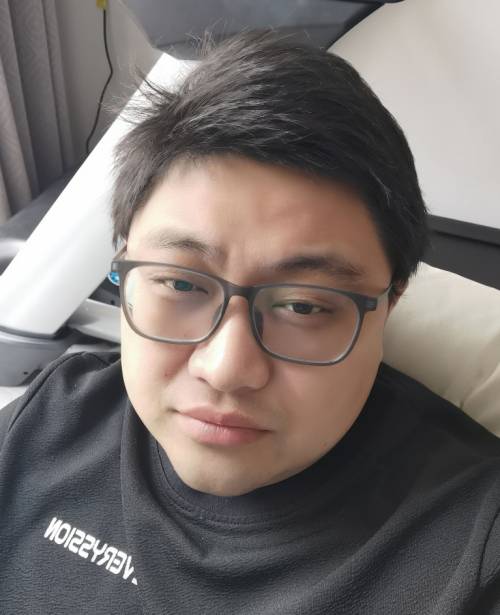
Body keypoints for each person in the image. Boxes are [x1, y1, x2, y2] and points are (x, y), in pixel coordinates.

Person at [1, 31, 499, 614]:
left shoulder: (474, 546)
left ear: (391, 303)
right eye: (181, 284)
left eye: (304, 306)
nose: (226, 369)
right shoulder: (54, 415)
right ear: (125, 268)